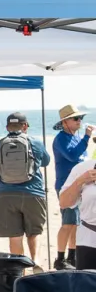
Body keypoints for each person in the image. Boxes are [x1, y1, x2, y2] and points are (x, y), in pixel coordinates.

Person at [0, 112, 51, 260]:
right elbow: (46, 162)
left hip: (6, 195)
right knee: (34, 233)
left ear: (7, 127)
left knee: (15, 236)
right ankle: (35, 261)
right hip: (34, 194)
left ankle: (19, 268)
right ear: (25, 126)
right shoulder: (36, 143)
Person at [51, 104, 92, 269]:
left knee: (77, 223)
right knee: (68, 223)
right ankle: (60, 259)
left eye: (80, 118)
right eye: (76, 118)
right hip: (67, 187)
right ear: (65, 122)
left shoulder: (76, 137)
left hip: (81, 185)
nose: (79, 121)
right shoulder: (61, 138)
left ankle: (72, 257)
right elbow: (73, 155)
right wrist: (87, 137)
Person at [58, 152, 96, 271]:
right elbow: (64, 203)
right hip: (89, 240)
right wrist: (80, 181)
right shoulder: (83, 169)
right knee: (87, 287)